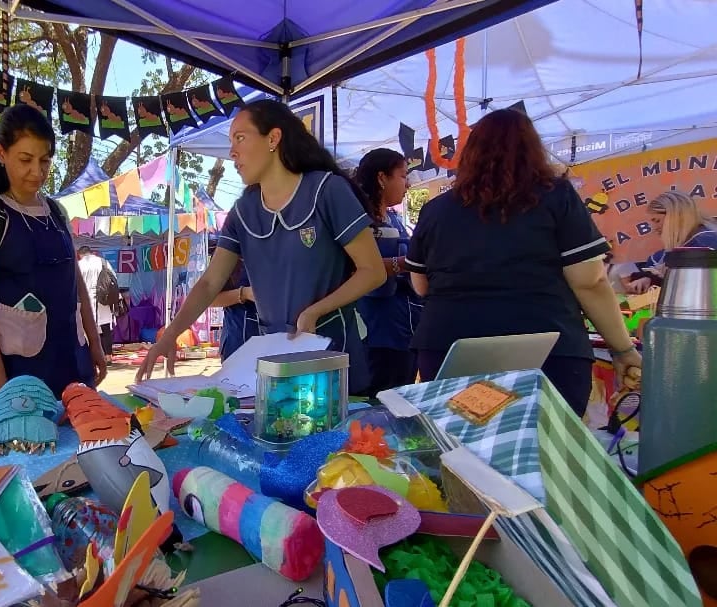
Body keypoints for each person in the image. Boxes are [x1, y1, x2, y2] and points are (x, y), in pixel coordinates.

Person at [136, 99, 387, 394]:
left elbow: (373, 271)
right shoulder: (243, 211)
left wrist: (315, 311)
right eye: (231, 141)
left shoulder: (327, 190)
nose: (232, 151)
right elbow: (209, 283)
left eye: (240, 138)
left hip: (332, 357)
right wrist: (169, 336)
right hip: (271, 361)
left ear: (273, 139)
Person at [404, 108, 641, 416]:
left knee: (460, 452)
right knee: (543, 452)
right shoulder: (557, 198)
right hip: (547, 344)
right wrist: (622, 349)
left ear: (470, 153)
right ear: (532, 149)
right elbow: (590, 281)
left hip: (450, 344)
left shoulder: (436, 210)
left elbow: (421, 286)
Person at [0, 104, 107, 403]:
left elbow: (75, 283)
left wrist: (94, 343)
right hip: (16, 370)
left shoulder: (56, 211)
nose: (37, 172)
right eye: (25, 160)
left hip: (70, 358)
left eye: (45, 160)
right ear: (2, 154)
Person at [350, 148, 423, 394]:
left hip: (405, 329)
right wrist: (404, 263)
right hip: (376, 332)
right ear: (382, 178)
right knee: (378, 402)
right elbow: (356, 269)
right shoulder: (357, 221)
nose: (408, 183)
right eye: (403, 176)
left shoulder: (394, 218)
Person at [627, 190, 717, 293]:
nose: (654, 228)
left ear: (676, 217)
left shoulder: (708, 241)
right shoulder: (663, 253)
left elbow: (695, 284)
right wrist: (648, 279)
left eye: (657, 221)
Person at [208, 252, 258, 360]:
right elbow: (210, 299)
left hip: (273, 340)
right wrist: (244, 294)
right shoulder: (227, 251)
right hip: (237, 340)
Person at [77, 246, 115, 363]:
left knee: (88, 328)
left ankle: (92, 357)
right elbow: (113, 278)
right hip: (103, 297)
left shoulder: (79, 265)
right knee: (105, 328)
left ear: (80, 254)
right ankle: (108, 356)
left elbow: (75, 283)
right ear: (91, 253)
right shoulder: (103, 262)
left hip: (86, 300)